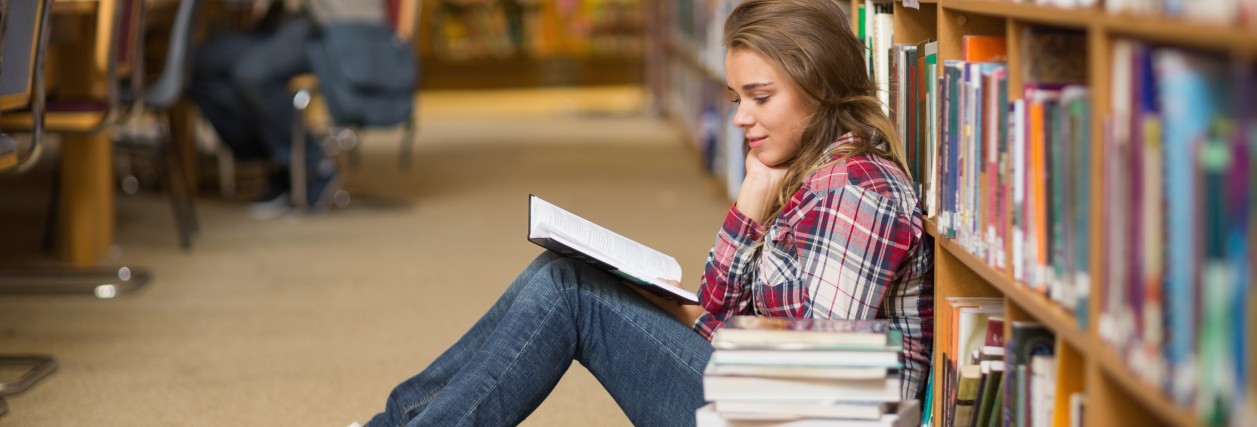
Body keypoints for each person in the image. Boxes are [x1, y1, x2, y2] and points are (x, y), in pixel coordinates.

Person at [356, 0, 933, 425]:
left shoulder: (858, 190)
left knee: (569, 290)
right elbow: (723, 302)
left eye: (761, 97)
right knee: (562, 274)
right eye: (738, 100)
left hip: (784, 412)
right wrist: (748, 210)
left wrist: (687, 320)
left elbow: (814, 378)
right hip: (757, 397)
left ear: (821, 87)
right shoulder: (800, 173)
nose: (741, 118)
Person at [187, 0, 385, 216]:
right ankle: (278, 159)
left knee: (252, 74)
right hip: (286, 24)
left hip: (338, 26)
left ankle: (314, 165)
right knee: (197, 64)